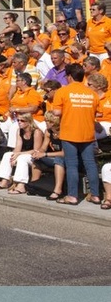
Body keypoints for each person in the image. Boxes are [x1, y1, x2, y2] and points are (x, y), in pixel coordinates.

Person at [51, 63, 101, 206]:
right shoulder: (92, 93)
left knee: (71, 164)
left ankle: (72, 196)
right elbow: (97, 113)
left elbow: (56, 112)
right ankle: (95, 195)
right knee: (90, 164)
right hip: (87, 133)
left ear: (69, 76)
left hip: (69, 132)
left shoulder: (63, 91)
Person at [0, 113, 44, 194]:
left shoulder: (37, 132)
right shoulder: (19, 131)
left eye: (22, 120)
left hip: (34, 156)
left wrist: (19, 154)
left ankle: (21, 185)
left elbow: (36, 150)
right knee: (7, 155)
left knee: (22, 159)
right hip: (23, 153)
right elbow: (18, 147)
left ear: (29, 122)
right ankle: (4, 181)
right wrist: (14, 156)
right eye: (18, 120)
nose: (19, 122)